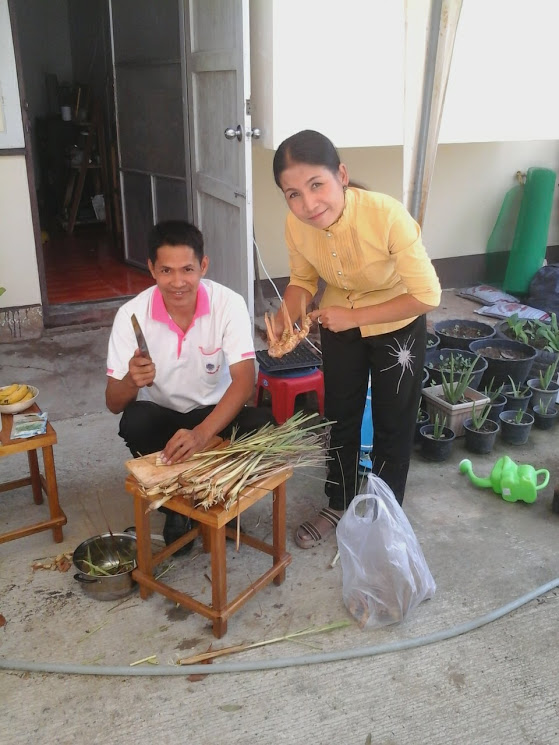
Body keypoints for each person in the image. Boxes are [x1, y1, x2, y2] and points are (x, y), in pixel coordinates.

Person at [272, 129, 441, 549]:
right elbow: (302, 281)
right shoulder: (296, 226)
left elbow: (427, 295)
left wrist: (354, 317)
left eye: (317, 185)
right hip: (338, 324)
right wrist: (285, 317)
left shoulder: (387, 216)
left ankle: (386, 512)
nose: (308, 204)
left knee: (393, 421)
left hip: (397, 323)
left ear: (341, 175)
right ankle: (339, 501)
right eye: (293, 194)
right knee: (340, 415)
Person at [106, 220, 275, 550]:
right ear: (151, 269)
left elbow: (244, 383)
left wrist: (201, 434)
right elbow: (113, 403)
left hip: (215, 415)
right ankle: (175, 507)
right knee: (134, 420)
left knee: (263, 425)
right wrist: (130, 380)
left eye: (187, 269)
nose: (178, 282)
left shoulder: (228, 304)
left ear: (203, 266)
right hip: (165, 418)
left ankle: (221, 492)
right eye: (166, 271)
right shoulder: (132, 315)